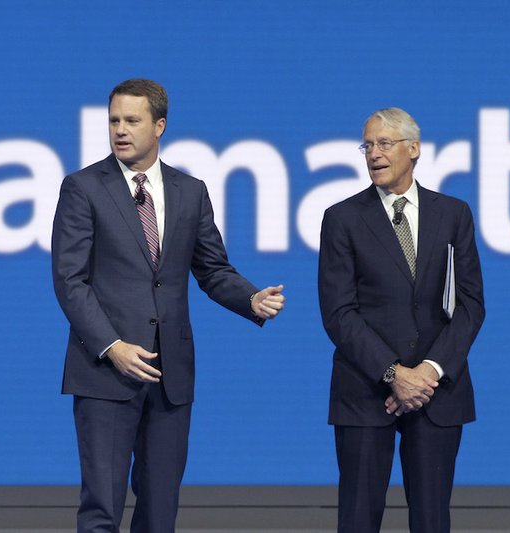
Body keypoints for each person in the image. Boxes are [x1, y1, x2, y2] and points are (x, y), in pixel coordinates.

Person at [51, 78, 285, 533]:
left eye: (132, 120)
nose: (120, 129)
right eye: (114, 120)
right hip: (105, 372)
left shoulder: (189, 191)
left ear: (159, 125)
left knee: (160, 512)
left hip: (170, 374)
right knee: (102, 509)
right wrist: (112, 346)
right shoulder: (83, 188)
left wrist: (251, 298)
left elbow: (213, 269)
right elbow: (69, 279)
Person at [317, 108, 485, 533]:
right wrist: (393, 374)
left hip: (437, 395)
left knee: (431, 521)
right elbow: (339, 313)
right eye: (367, 145)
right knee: (358, 520)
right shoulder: (342, 218)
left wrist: (426, 374)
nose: (373, 152)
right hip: (365, 390)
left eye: (384, 143)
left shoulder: (454, 214)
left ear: (414, 149)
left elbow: (469, 305)